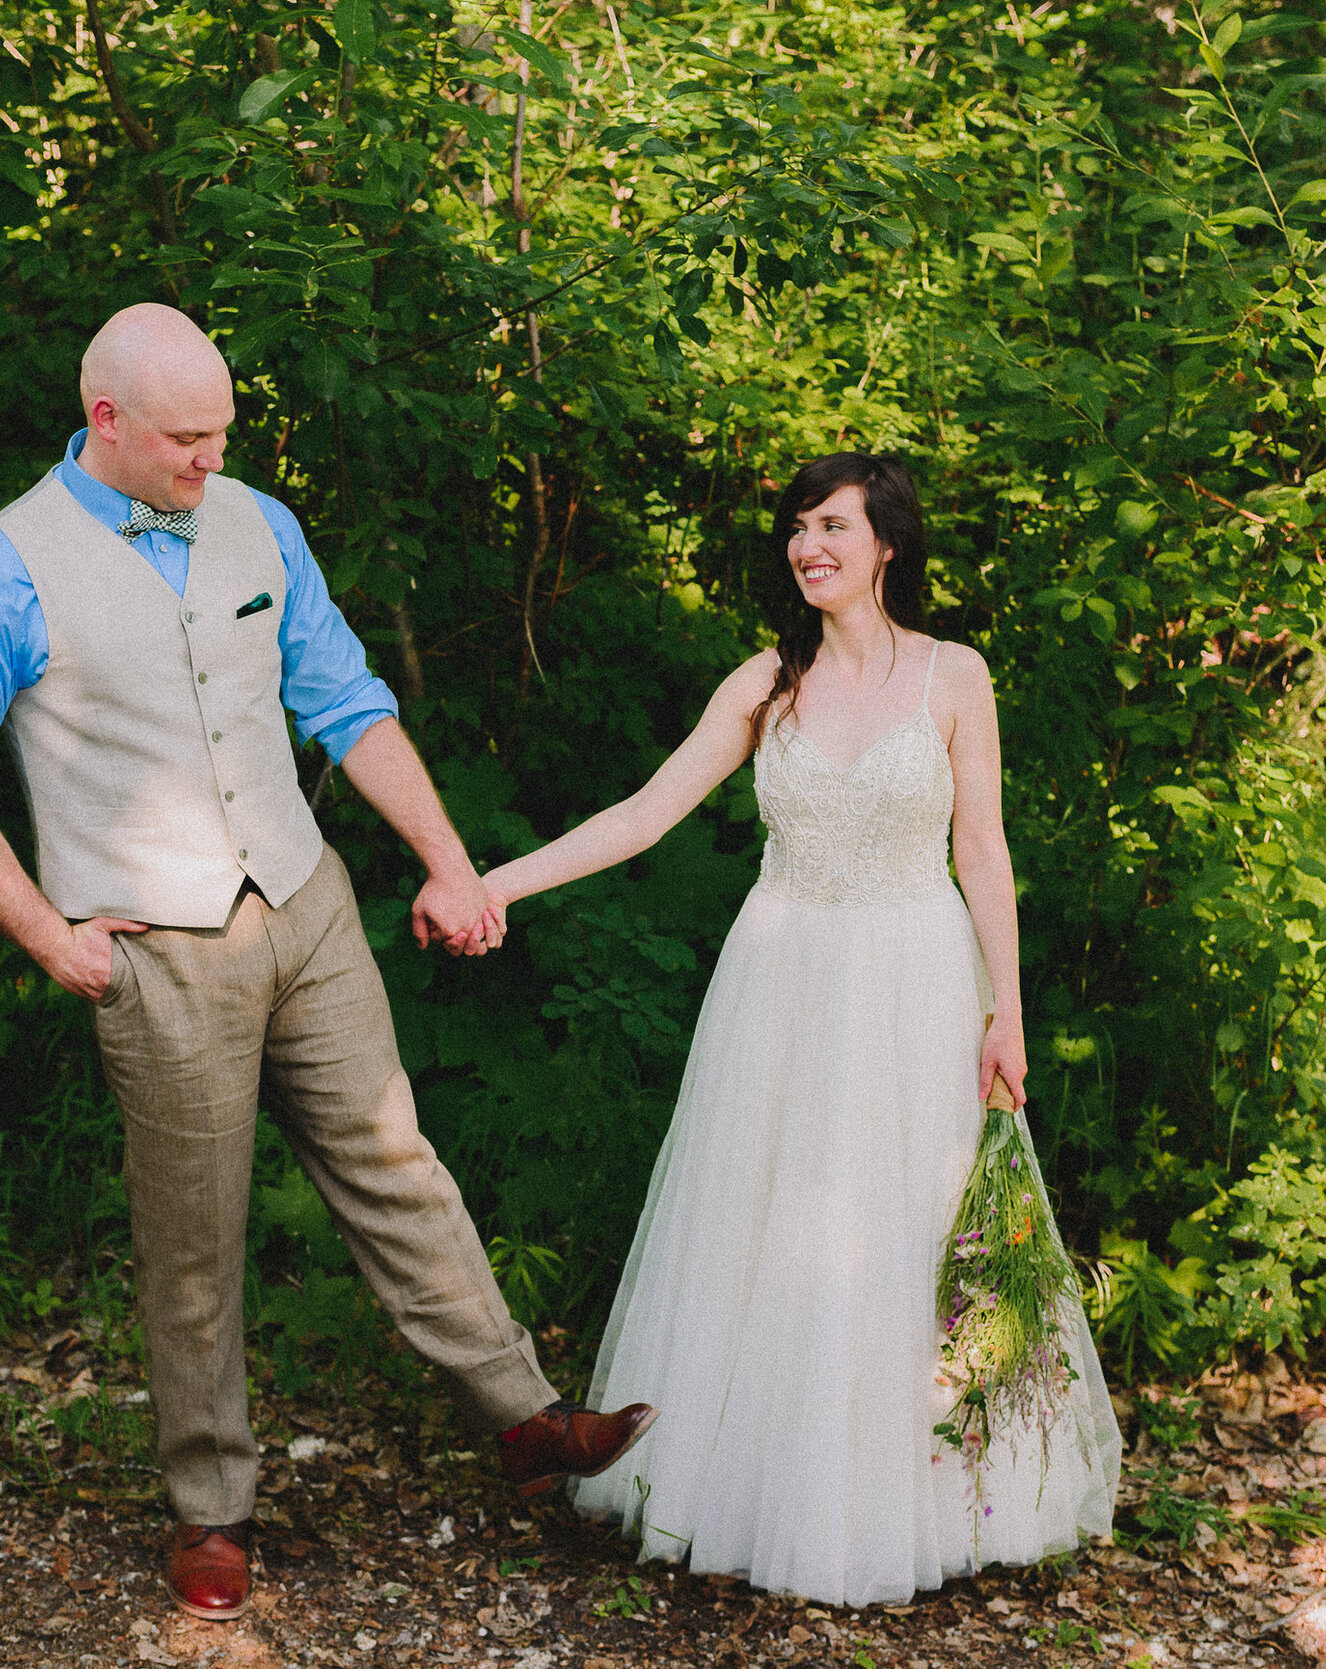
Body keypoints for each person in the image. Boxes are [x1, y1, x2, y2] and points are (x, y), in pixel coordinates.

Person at [0, 303, 653, 1623]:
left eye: (224, 430)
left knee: (396, 1159)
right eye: (187, 436)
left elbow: (346, 700)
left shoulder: (257, 522)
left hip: (303, 900)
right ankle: (211, 1511)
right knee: (195, 1238)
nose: (210, 457)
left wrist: (449, 861)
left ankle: (527, 1422)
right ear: (104, 419)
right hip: (156, 946)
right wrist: (46, 933)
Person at [467, 454, 1120, 1606]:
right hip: (782, 980)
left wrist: (1005, 1010)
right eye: (796, 528)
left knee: (911, 1227)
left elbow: (984, 852)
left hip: (917, 975)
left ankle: (918, 1500)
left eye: (831, 524)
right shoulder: (767, 681)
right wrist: (496, 884)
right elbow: (644, 813)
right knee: (768, 1222)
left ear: (886, 546)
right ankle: (751, 1484)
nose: (806, 545)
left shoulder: (954, 677)